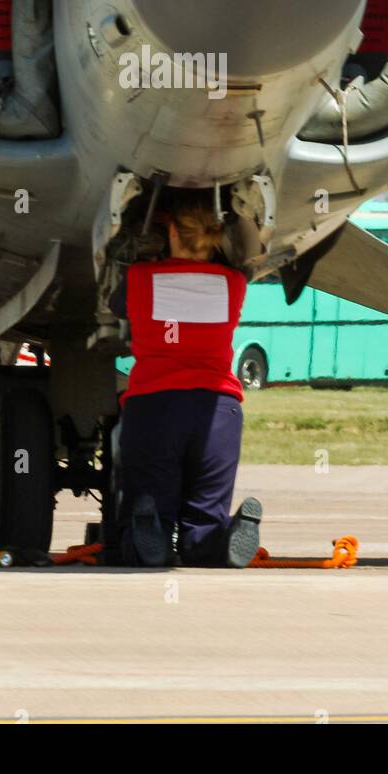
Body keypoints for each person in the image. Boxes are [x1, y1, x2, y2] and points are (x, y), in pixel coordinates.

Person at [112, 198, 262, 568]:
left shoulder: (139, 279)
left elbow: (116, 306)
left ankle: (151, 540)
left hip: (155, 406)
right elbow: (233, 266)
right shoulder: (233, 284)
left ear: (172, 232)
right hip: (218, 412)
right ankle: (219, 542)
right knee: (204, 519)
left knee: (146, 511)